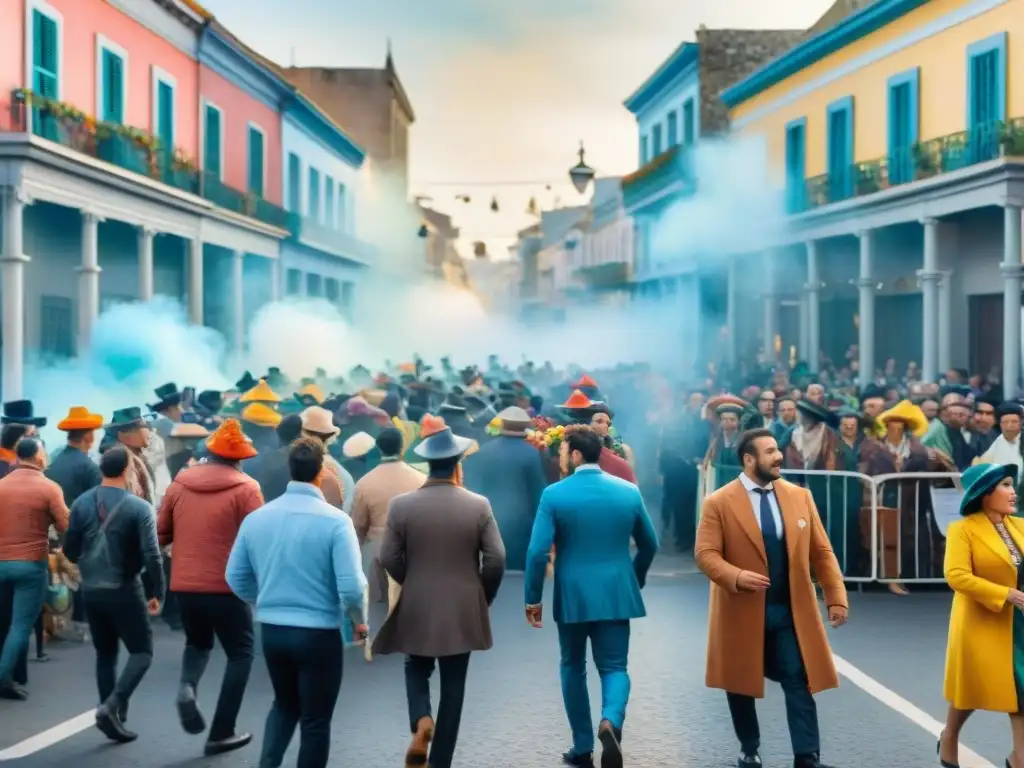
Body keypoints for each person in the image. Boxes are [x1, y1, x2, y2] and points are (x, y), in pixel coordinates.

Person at [695, 428, 848, 768]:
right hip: (740, 609)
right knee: (740, 683)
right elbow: (705, 554)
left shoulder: (799, 496)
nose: (778, 456)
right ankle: (749, 748)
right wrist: (735, 576)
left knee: (799, 676)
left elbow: (821, 552)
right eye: (769, 451)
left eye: (777, 449)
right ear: (749, 460)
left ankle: (807, 756)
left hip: (788, 610)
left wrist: (835, 597)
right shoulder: (718, 502)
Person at [226, 436, 367, 768]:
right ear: (321, 473)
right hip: (319, 634)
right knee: (315, 720)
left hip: (273, 630)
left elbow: (235, 578)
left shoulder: (258, 518)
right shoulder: (335, 521)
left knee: (283, 705)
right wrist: (359, 621)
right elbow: (351, 586)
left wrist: (264, 601)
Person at [523, 425, 659, 768]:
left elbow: (538, 552)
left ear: (577, 454)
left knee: (572, 666)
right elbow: (650, 544)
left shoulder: (554, 495)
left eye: (565, 451)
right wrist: (635, 577)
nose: (561, 458)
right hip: (616, 590)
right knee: (614, 666)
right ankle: (610, 719)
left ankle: (582, 745)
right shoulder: (628, 492)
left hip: (572, 593)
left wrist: (533, 598)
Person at [372, 425, 506, 768]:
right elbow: (496, 558)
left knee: (415, 666)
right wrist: (481, 594)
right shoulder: (478, 505)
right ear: (458, 464)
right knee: (454, 684)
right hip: (462, 603)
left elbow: (387, 557)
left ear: (427, 465)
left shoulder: (402, 506)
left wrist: (411, 579)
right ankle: (440, 761)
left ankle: (421, 720)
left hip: (418, 598)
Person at [157, 419, 264, 756]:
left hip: (185, 585)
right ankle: (221, 731)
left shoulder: (179, 484)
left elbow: (161, 534)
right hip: (227, 587)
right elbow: (257, 540)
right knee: (241, 654)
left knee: (198, 644)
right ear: (240, 458)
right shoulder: (247, 489)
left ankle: (187, 686)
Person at [63, 446, 165, 743]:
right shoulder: (139, 507)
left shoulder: (81, 502)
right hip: (124, 589)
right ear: (127, 471)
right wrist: (158, 590)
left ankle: (114, 716)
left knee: (105, 654)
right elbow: (152, 555)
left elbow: (70, 549)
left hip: (92, 591)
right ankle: (112, 706)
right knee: (142, 652)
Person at [939, 463, 1024, 768]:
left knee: (1020, 692)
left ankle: (1018, 758)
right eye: (1006, 485)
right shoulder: (962, 530)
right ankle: (949, 736)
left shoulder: (1021, 525)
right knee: (971, 689)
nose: (1013, 492)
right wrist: (1008, 594)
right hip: (982, 623)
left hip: (1019, 626)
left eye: (1013, 485)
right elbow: (956, 575)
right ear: (985, 494)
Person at [0, 437, 68, 700]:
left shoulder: (1, 485)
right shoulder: (49, 488)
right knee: (20, 625)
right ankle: (3, 676)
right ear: (39, 456)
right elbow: (66, 526)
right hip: (30, 564)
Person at [463, 406, 546, 572]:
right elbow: (538, 493)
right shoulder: (531, 454)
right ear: (525, 427)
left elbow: (473, 486)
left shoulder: (484, 450)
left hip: (489, 518)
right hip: (520, 522)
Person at [350, 426, 425, 605]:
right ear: (402, 448)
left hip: (379, 557)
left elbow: (358, 527)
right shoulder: (421, 479)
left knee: (379, 611)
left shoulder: (364, 483)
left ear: (379, 448)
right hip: (413, 554)